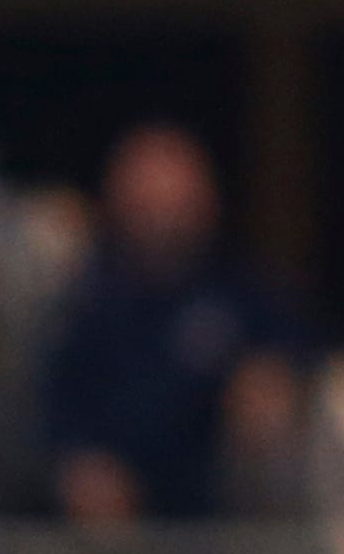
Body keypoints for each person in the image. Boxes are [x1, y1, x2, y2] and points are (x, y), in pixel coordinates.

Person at [39, 123, 303, 525]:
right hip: (103, 524)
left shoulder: (239, 292)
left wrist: (275, 382)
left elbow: (303, 353)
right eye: (149, 201)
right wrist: (76, 462)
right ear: (117, 199)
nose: (163, 218)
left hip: (224, 509)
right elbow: (47, 407)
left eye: (177, 200)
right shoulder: (80, 298)